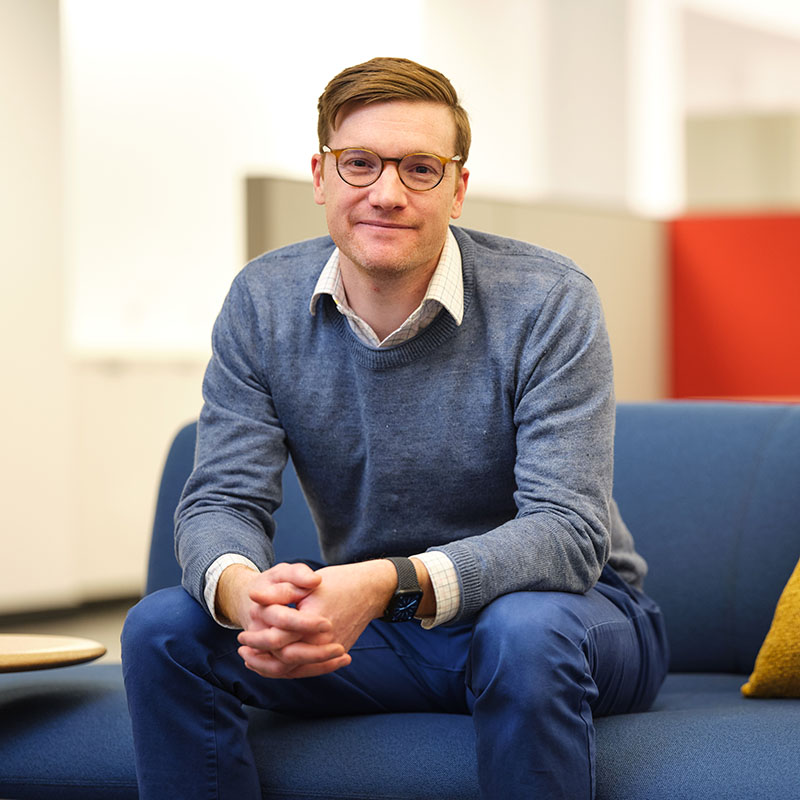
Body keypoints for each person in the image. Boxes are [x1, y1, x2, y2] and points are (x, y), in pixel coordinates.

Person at [122, 56, 669, 799]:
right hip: (388, 636)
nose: (386, 193)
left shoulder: (548, 300)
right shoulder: (262, 301)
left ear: (457, 188)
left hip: (571, 619)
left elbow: (568, 535)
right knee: (163, 628)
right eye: (359, 164)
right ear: (320, 176)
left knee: (523, 633)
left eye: (419, 167)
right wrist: (245, 593)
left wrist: (384, 584)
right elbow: (222, 498)